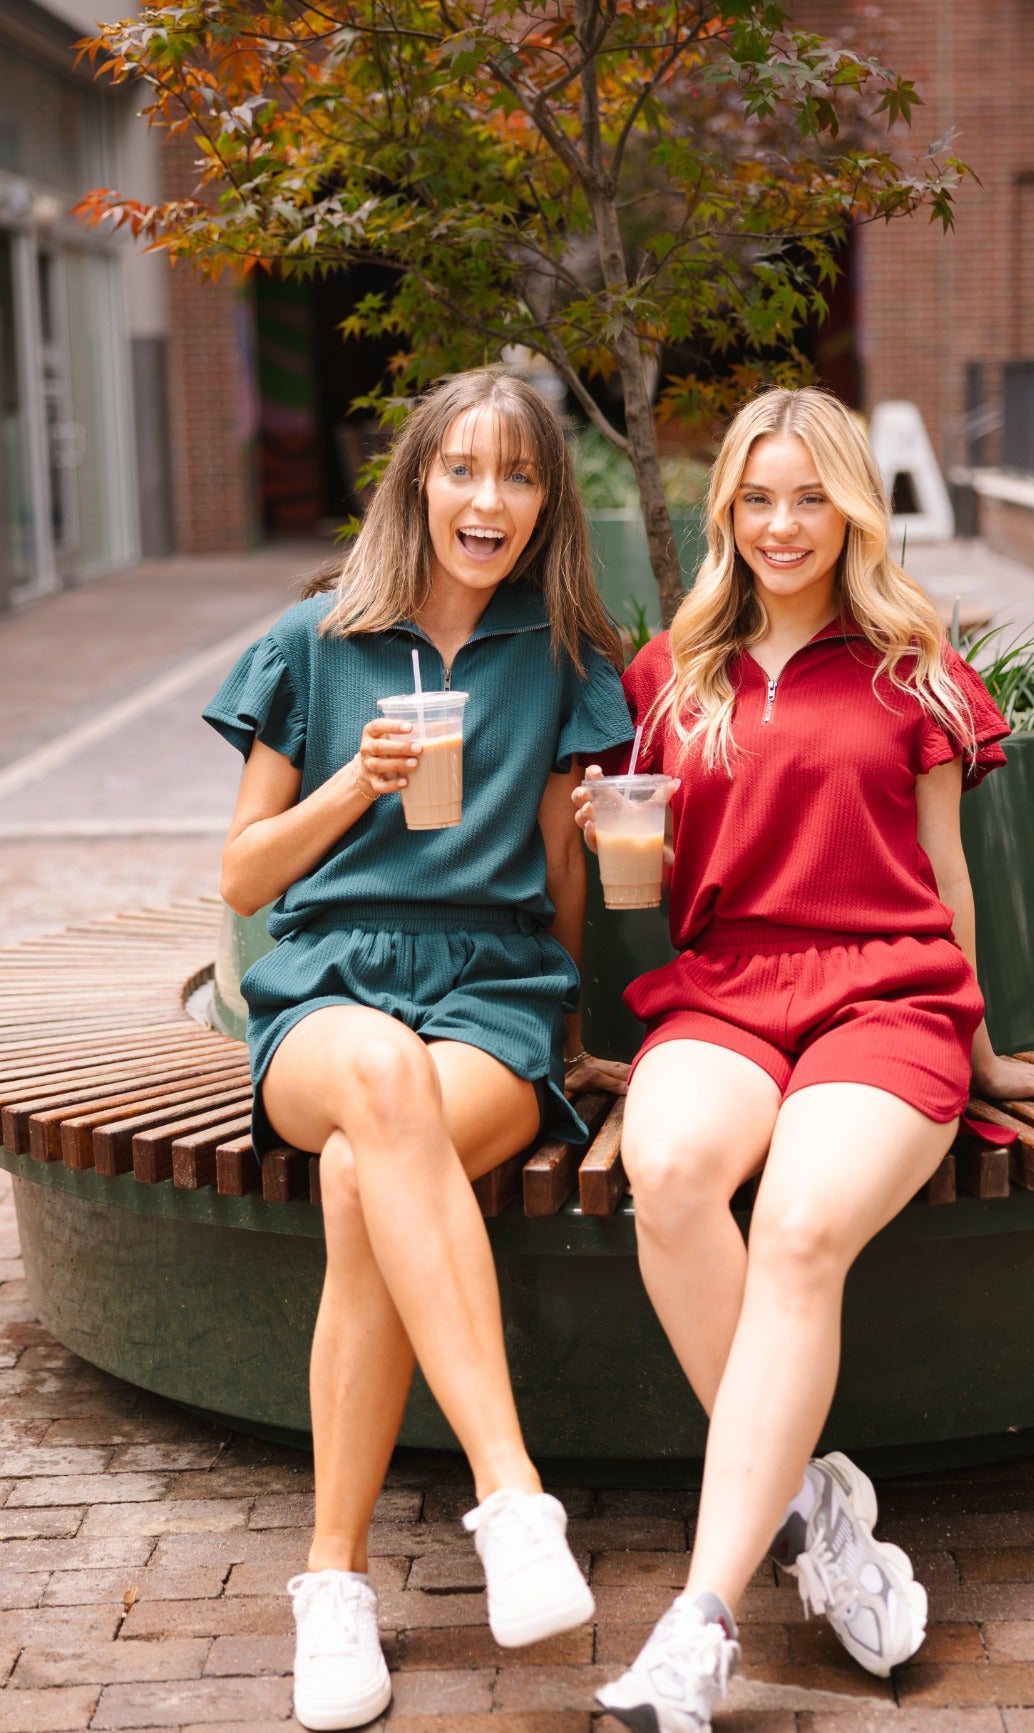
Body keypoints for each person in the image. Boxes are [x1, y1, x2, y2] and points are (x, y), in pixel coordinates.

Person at [575, 387, 1034, 1733]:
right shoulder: (670, 677)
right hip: (725, 988)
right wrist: (609, 833)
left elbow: (945, 871)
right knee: (674, 1169)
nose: (780, 524)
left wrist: (979, 1042)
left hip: (887, 992)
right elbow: (643, 877)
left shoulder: (912, 664)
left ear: (852, 506)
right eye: (756, 498)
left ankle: (700, 1625)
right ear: (725, 514)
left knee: (804, 1226)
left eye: (808, 496)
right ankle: (820, 1510)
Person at [204, 368, 632, 1733]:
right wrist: (354, 780)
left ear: (546, 502)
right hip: (329, 987)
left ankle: (330, 1583)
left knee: (358, 1183)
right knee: (377, 1083)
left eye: (517, 475)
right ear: (418, 483)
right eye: (462, 470)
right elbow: (241, 875)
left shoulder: (565, 656)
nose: (487, 499)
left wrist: (567, 1032)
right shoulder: (314, 641)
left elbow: (566, 870)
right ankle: (511, 1497)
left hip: (494, 990)